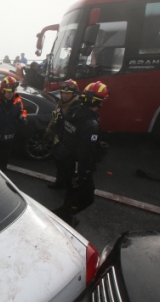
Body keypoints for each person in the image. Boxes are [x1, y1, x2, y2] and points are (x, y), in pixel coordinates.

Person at [51, 81, 109, 227]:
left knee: (71, 191)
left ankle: (66, 215)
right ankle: (64, 214)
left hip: (63, 157)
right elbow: (86, 152)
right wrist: (83, 174)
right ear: (100, 102)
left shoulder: (73, 110)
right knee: (87, 197)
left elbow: (65, 132)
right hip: (75, 164)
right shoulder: (91, 124)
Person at [46, 79, 80, 189]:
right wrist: (49, 129)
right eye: (63, 93)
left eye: (68, 93)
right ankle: (59, 182)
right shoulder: (60, 104)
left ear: (74, 94)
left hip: (69, 142)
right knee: (59, 163)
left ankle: (67, 185)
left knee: (67, 166)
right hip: (59, 138)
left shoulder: (77, 107)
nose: (65, 96)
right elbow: (55, 117)